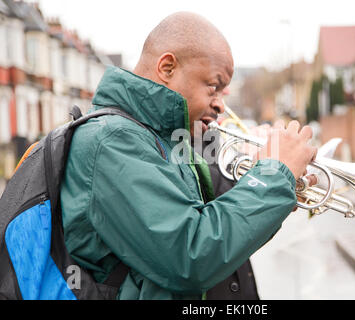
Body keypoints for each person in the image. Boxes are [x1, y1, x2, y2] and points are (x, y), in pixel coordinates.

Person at [60, 12, 317, 300]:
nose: (221, 105)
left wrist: (272, 188)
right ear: (167, 67)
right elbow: (191, 256)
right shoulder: (111, 140)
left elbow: (217, 229)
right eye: (214, 86)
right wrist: (274, 176)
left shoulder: (165, 139)